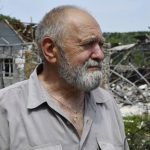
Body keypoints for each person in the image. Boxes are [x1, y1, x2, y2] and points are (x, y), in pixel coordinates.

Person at [0, 5, 129, 150]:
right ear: (50, 50)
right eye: (88, 44)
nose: (100, 55)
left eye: (100, 44)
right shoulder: (6, 109)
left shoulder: (107, 103)